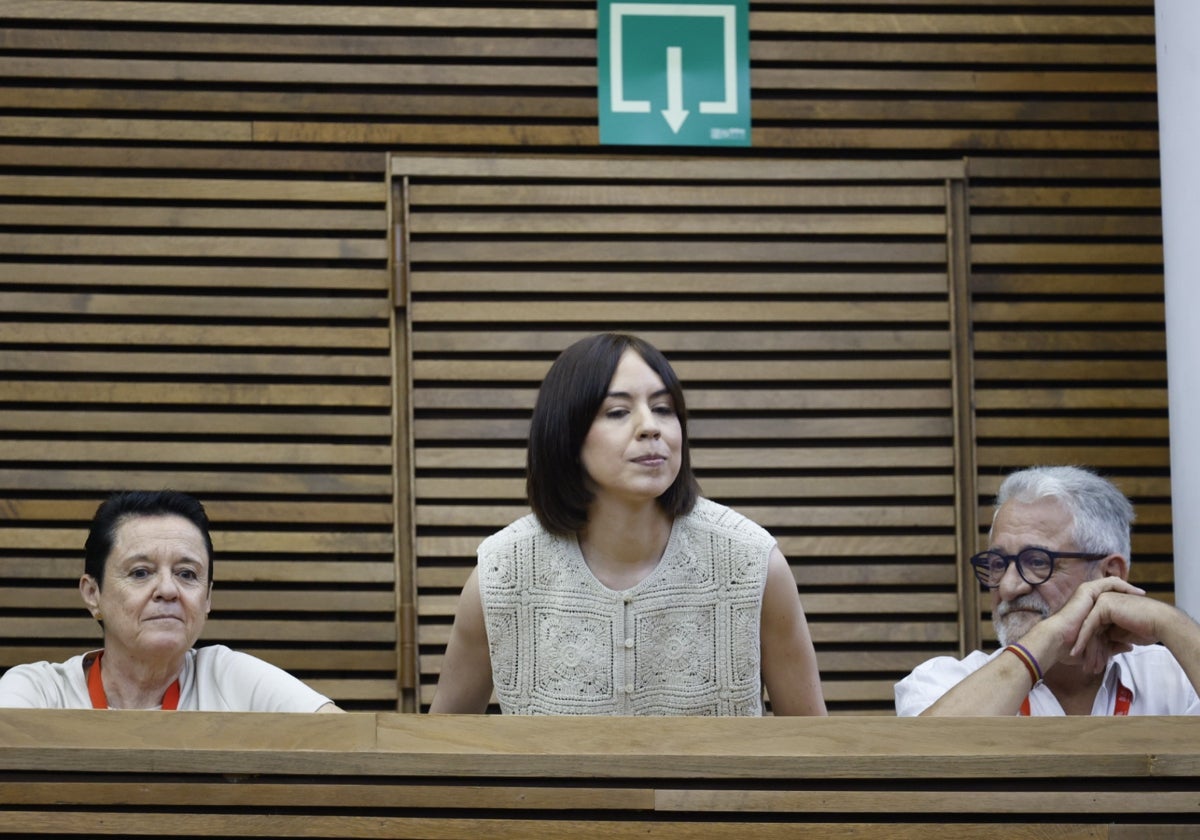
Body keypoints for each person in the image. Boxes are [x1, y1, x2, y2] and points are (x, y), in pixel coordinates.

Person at [430, 333, 826, 716]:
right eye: (618, 412)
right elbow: (440, 757)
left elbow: (814, 753)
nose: (649, 426)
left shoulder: (754, 564)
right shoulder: (501, 575)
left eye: (664, 408)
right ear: (566, 435)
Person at [895, 465, 1200, 716]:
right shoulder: (943, 683)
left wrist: (1168, 622)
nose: (1008, 586)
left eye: (1038, 562)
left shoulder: (1177, 679)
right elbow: (929, 762)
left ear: (1110, 574)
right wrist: (1051, 636)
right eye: (998, 563)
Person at [0, 490, 340, 712]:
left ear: (207, 599)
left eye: (187, 574)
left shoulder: (232, 677)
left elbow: (348, 740)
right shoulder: (38, 692)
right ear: (93, 594)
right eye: (140, 573)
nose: (168, 589)